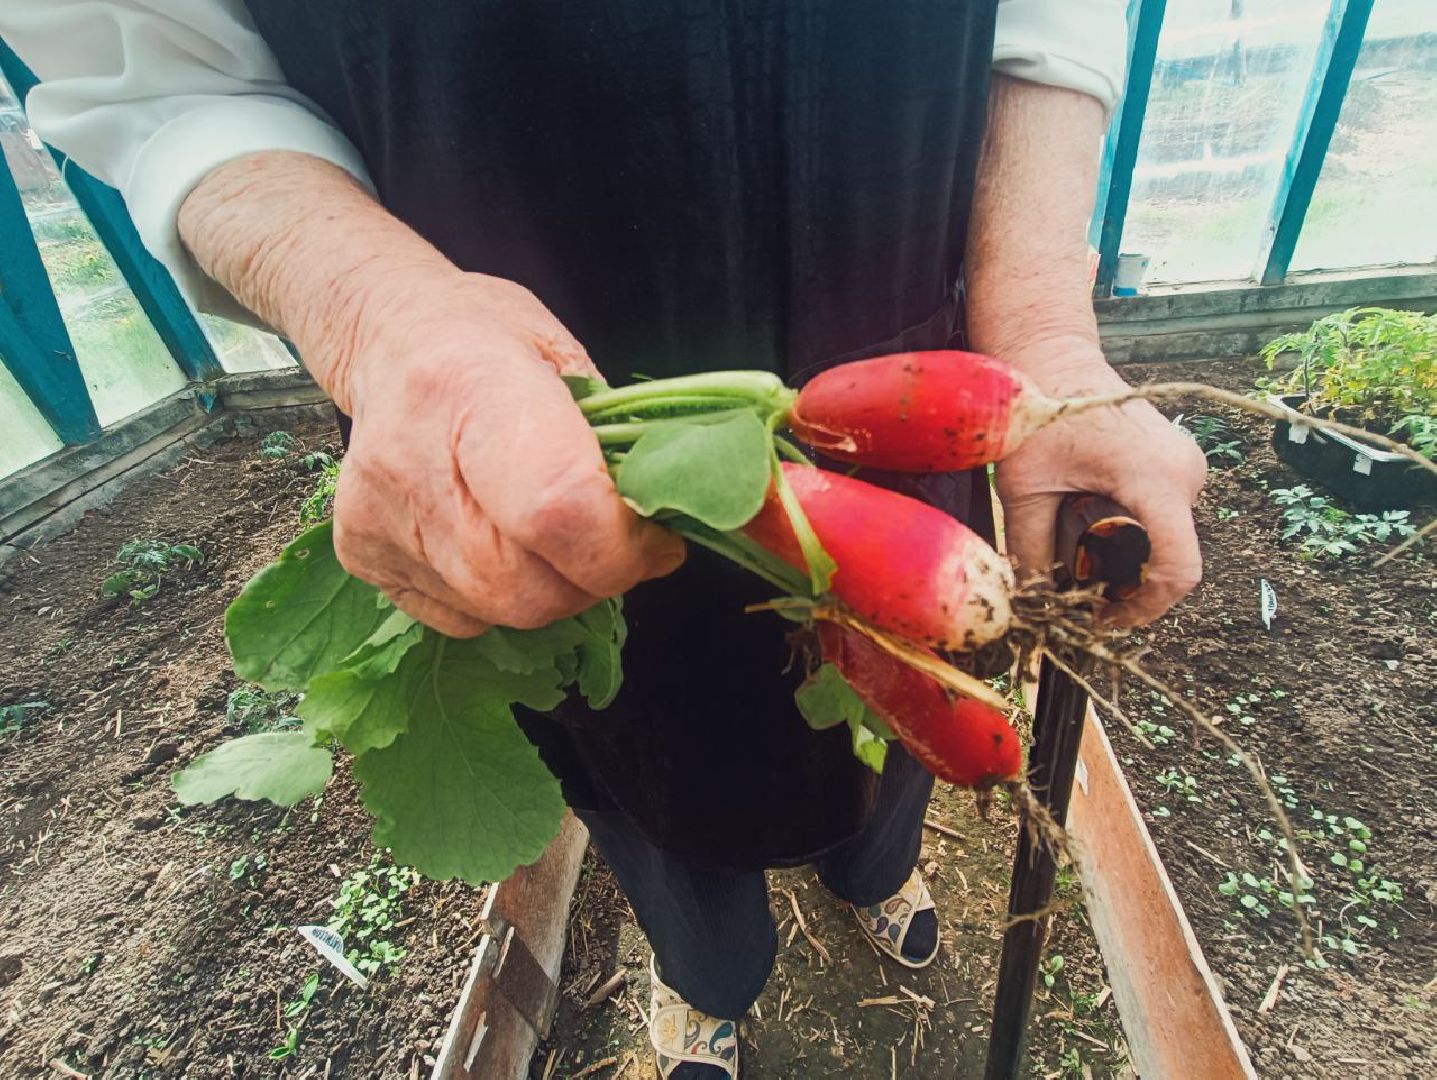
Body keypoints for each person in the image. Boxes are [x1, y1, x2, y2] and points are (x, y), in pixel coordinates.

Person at [3, 3, 1206, 1076]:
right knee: (646, 768)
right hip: (520, 423)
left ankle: (877, 871)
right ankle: (707, 984)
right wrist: (377, 311)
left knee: (907, 701)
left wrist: (1043, 337)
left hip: (886, 405)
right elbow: (160, 78)